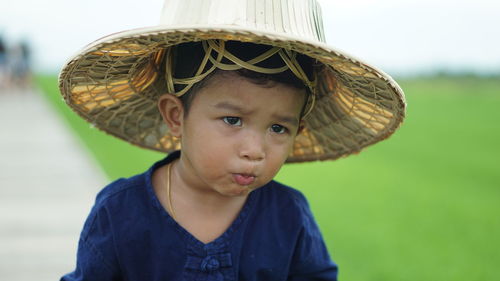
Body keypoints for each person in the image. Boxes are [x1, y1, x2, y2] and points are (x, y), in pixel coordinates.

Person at [58, 0, 406, 280]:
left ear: (298, 130)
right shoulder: (120, 212)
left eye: (278, 128)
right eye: (232, 120)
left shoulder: (288, 216)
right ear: (176, 116)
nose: (254, 151)